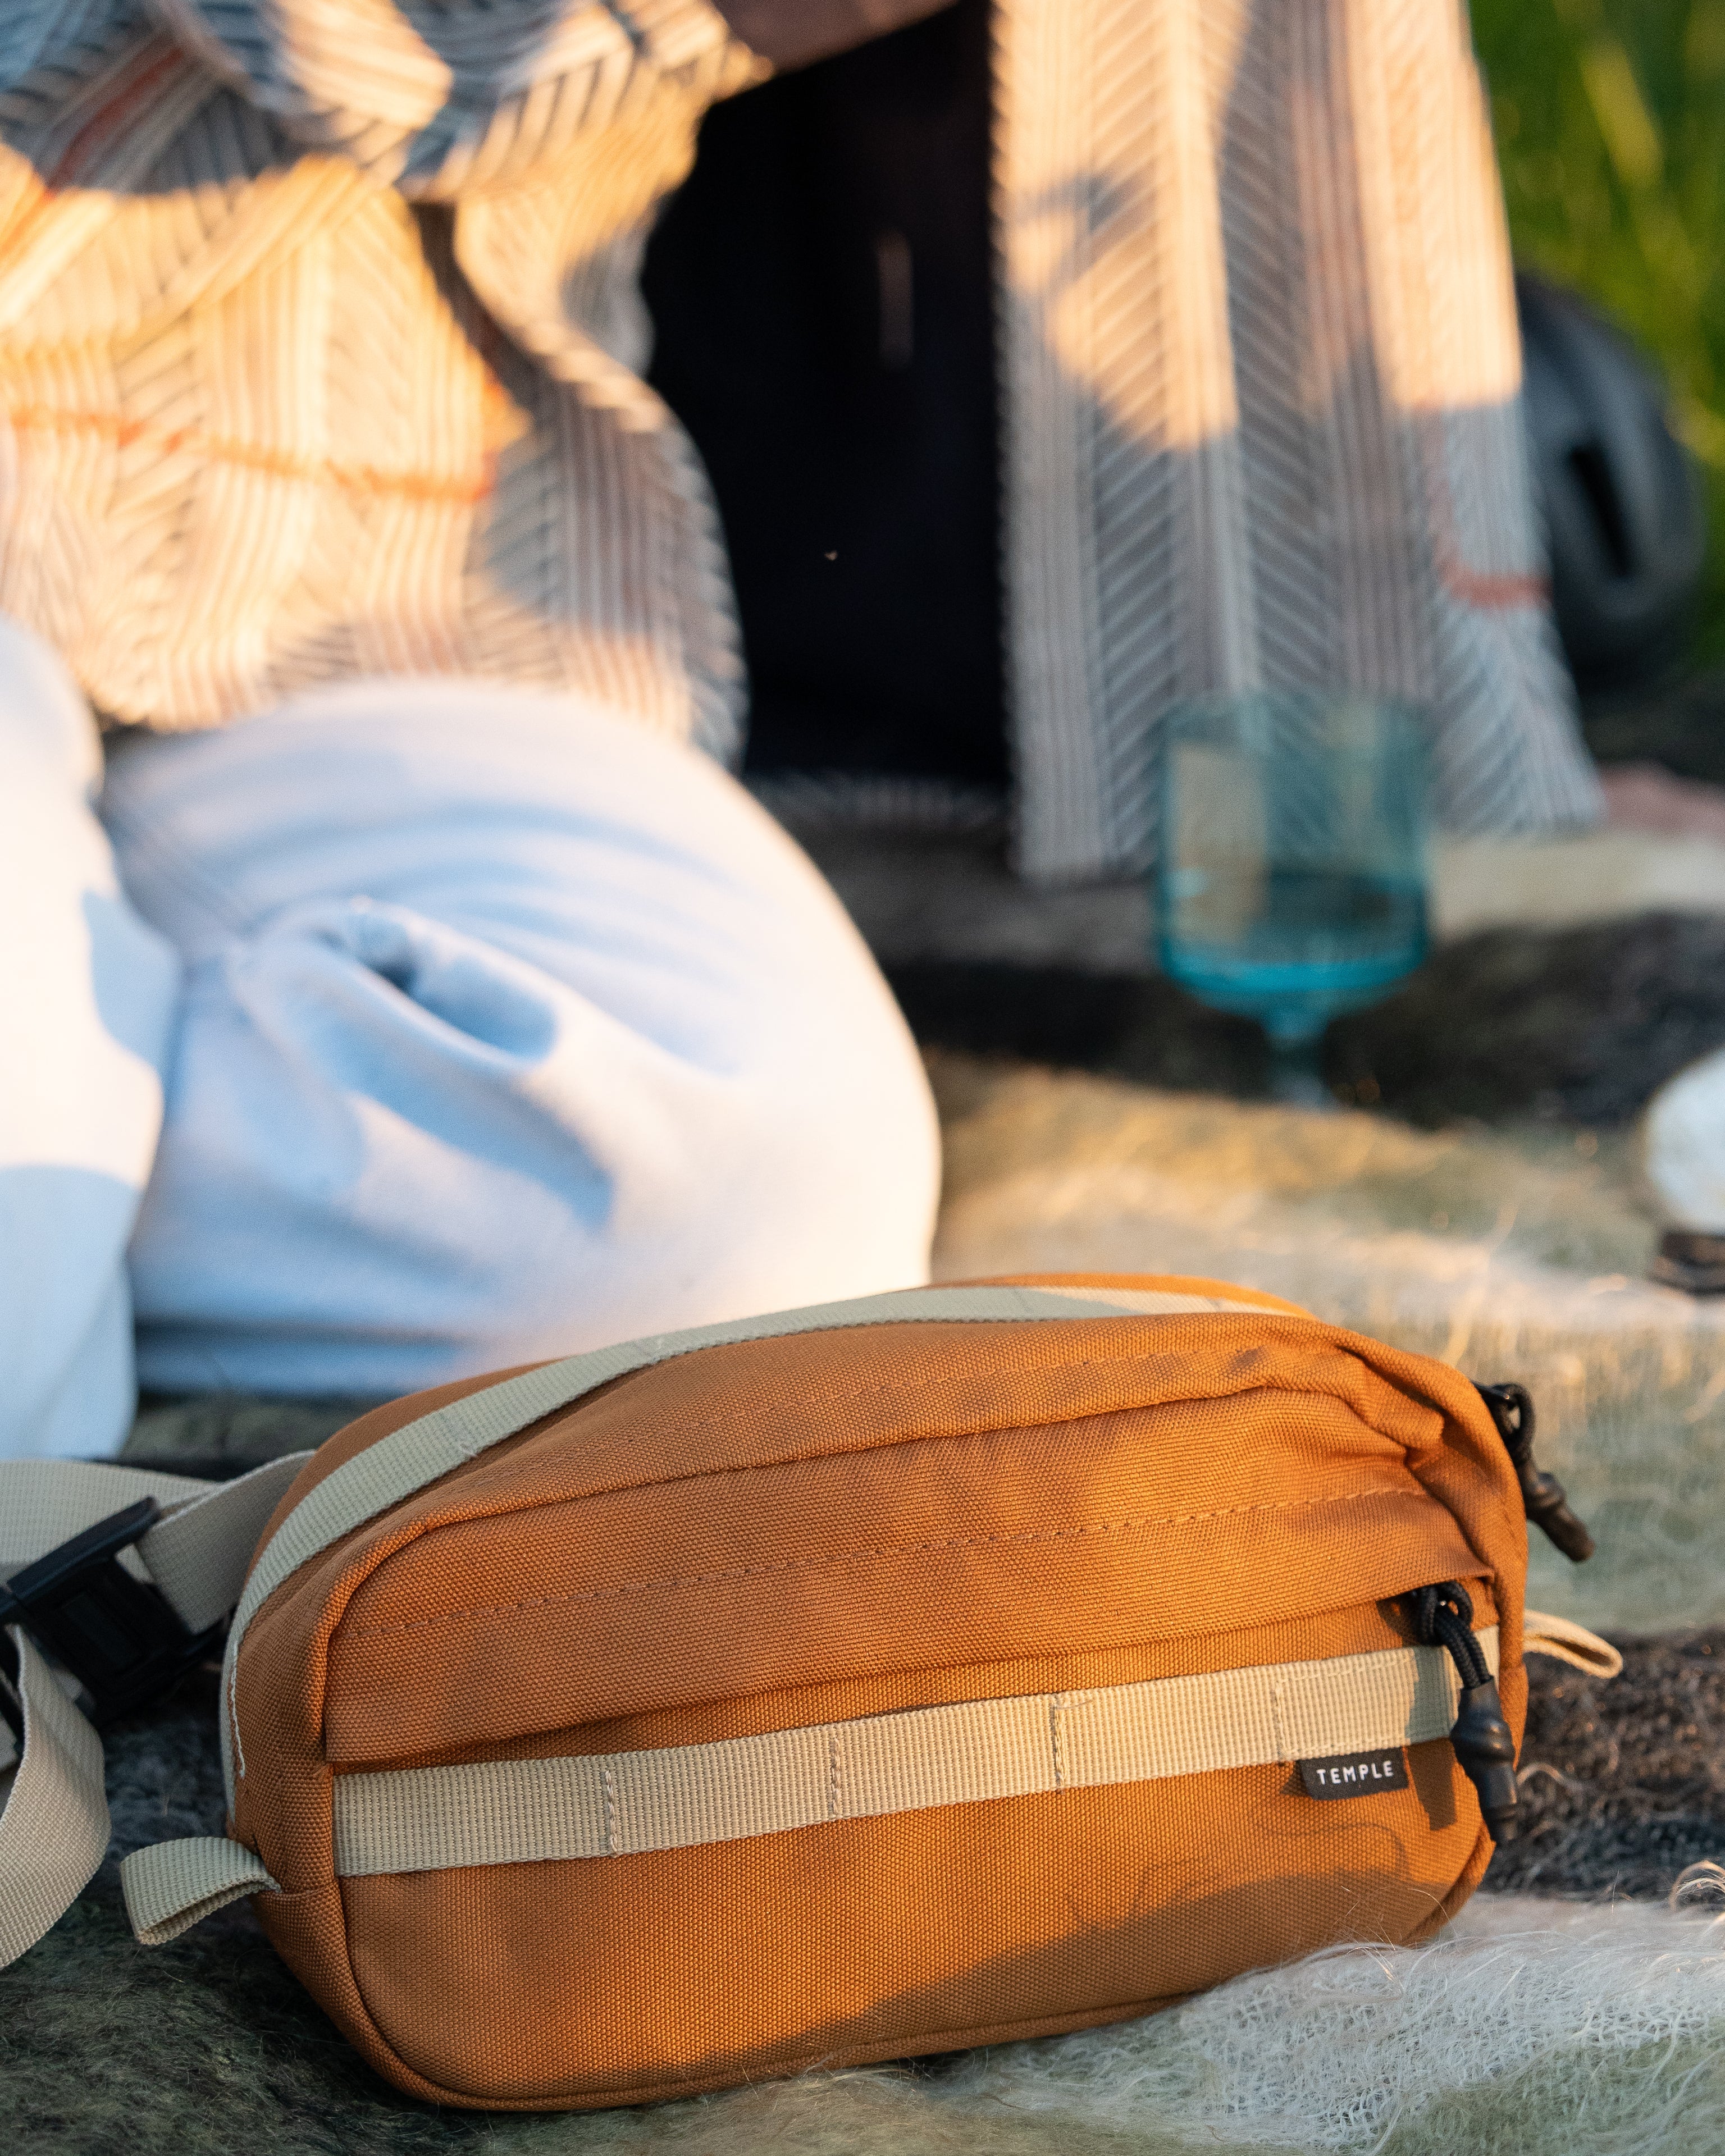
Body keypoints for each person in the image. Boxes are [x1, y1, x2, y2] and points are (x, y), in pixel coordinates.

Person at [0, 0, 1597, 1461]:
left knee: (748, 1217)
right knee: (15, 1380)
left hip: (351, 583)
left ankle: (85, 1091)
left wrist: (1469, 702)